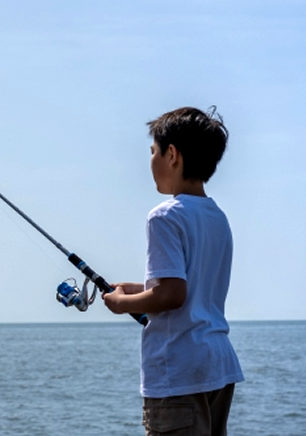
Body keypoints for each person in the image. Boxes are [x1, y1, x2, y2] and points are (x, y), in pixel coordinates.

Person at [103, 106, 244, 436]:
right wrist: (136, 288)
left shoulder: (164, 216)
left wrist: (121, 303)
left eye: (153, 151)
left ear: (172, 154)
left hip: (178, 372)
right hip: (217, 366)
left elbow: (172, 295)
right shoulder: (217, 217)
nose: (150, 161)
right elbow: (189, 285)